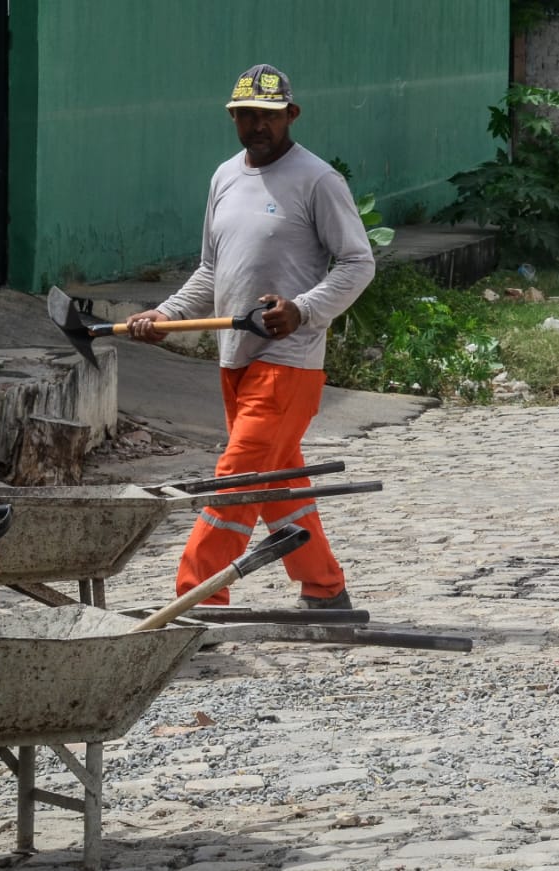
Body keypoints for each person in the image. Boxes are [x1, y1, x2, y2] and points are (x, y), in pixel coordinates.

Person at [127, 63, 375, 609]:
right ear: (233, 118)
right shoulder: (224, 178)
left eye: (267, 115)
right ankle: (326, 589)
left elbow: (358, 263)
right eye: (245, 115)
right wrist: (164, 314)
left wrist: (303, 309)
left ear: (291, 115)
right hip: (235, 357)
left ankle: (196, 598)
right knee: (274, 482)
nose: (256, 125)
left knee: (234, 480)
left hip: (289, 360)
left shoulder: (317, 180)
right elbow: (212, 270)